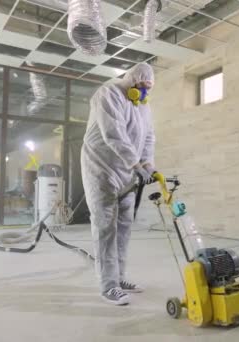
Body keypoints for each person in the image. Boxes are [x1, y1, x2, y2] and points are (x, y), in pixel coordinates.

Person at [81, 63, 157, 306]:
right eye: (142, 86)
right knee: (105, 226)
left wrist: (148, 164)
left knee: (124, 226)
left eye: (148, 89)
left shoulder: (142, 106)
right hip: (100, 167)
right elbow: (113, 133)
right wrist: (136, 163)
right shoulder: (108, 94)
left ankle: (120, 278)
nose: (144, 93)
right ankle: (108, 286)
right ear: (131, 81)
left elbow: (148, 136)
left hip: (126, 171)